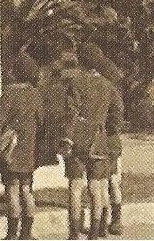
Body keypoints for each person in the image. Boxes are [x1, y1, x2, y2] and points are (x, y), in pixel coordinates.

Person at [0, 52, 44, 240]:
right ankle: (27, 234)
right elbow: (42, 121)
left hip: (11, 148)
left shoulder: (10, 93)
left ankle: (12, 234)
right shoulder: (36, 94)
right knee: (27, 189)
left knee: (12, 189)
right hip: (29, 147)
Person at [58, 50, 124, 240]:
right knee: (97, 189)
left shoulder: (75, 83)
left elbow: (70, 114)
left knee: (75, 187)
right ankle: (94, 234)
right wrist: (107, 129)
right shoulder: (108, 85)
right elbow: (117, 113)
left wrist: (66, 138)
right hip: (99, 142)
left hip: (77, 140)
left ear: (82, 63)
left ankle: (74, 233)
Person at [78, 42, 125, 237]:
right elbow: (118, 113)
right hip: (109, 138)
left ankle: (111, 221)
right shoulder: (109, 81)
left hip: (106, 138)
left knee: (108, 182)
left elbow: (115, 115)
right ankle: (111, 221)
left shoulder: (102, 83)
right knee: (110, 182)